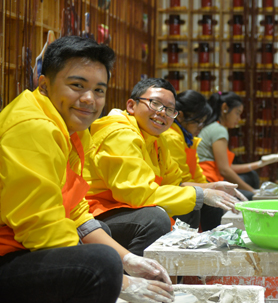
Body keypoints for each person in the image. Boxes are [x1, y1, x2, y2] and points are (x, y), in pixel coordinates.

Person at [0, 36, 174, 303]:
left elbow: (75, 210)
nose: (89, 99)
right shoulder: (34, 126)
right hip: (10, 251)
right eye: (77, 86)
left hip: (30, 244)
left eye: (99, 90)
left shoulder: (74, 129)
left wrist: (127, 259)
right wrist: (122, 279)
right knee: (101, 262)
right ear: (44, 85)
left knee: (109, 254)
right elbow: (41, 226)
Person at [84, 78, 241, 257]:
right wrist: (202, 193)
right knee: (155, 219)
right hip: (99, 212)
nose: (162, 112)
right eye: (155, 103)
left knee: (192, 205)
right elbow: (136, 194)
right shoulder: (121, 135)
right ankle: (133, 272)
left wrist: (210, 188)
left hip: (125, 207)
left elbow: (174, 182)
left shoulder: (158, 139)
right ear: (131, 106)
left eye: (169, 109)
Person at [162, 90, 245, 231]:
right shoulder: (172, 136)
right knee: (209, 203)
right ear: (180, 116)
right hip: (173, 190)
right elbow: (178, 182)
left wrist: (212, 187)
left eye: (202, 123)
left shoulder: (187, 137)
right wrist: (210, 189)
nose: (200, 127)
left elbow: (197, 176)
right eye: (198, 122)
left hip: (187, 185)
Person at [197, 92, 278, 200]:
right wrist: (253, 192)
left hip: (209, 178)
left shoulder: (213, 127)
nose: (239, 118)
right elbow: (224, 170)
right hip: (208, 180)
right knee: (249, 194)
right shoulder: (218, 130)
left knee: (251, 175)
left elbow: (227, 167)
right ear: (225, 108)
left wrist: (260, 163)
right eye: (237, 113)